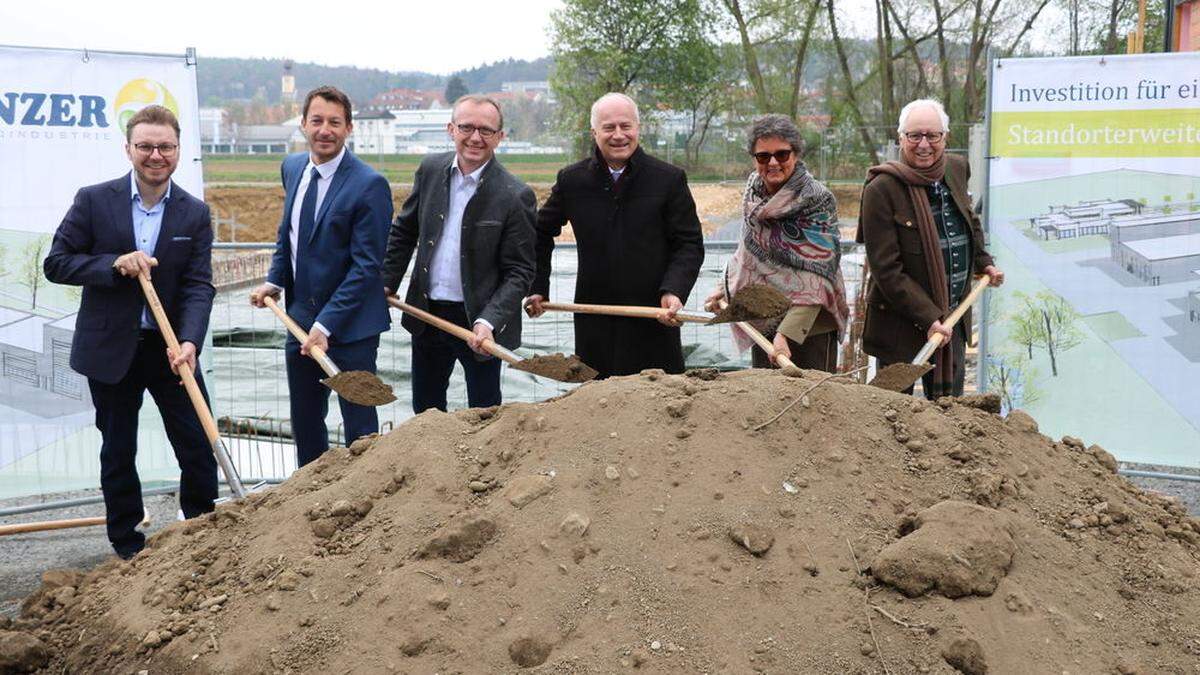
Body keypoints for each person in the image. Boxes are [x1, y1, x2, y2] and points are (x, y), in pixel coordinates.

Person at [43, 105, 216, 560]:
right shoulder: (93, 200)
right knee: (118, 450)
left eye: (165, 147)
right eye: (145, 146)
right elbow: (57, 263)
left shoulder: (194, 214)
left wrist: (190, 341)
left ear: (178, 151)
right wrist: (112, 263)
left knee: (197, 443)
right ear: (129, 149)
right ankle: (128, 545)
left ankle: (200, 532)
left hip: (171, 349)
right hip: (111, 350)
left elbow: (199, 285)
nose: (155, 155)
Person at [249, 86, 392, 465]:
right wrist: (275, 280)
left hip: (351, 330)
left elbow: (366, 267)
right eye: (317, 121)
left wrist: (326, 325)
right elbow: (289, 235)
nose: (324, 130)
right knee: (307, 420)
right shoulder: (292, 168)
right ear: (303, 125)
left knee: (360, 426)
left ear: (349, 128)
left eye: (334, 122)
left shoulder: (369, 185)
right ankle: (308, 501)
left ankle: (369, 499)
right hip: (299, 323)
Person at [525, 92, 704, 378]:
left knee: (657, 403)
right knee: (599, 403)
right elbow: (539, 233)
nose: (619, 135)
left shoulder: (668, 179)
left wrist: (674, 290)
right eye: (609, 128)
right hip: (595, 318)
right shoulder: (572, 181)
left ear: (638, 129)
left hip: (653, 317)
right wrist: (537, 285)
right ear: (594, 132)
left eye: (626, 126)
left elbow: (689, 244)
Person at [382, 95, 535, 413]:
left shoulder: (515, 195)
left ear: (500, 138)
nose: (475, 137)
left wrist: (488, 321)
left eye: (487, 130)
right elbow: (405, 231)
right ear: (450, 129)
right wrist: (386, 282)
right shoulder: (429, 170)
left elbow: (519, 272)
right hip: (427, 314)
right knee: (426, 411)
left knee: (483, 414)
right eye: (466, 127)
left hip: (478, 323)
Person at [857, 98, 1004, 399]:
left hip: (953, 318)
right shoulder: (881, 189)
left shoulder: (956, 169)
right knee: (892, 413)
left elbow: (968, 219)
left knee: (950, 414)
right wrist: (928, 317)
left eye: (932, 136)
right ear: (901, 138)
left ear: (945, 137)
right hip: (899, 326)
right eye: (914, 136)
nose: (924, 144)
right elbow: (887, 271)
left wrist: (983, 261)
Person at [704, 114, 849, 372]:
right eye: (763, 156)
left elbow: (820, 276)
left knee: (812, 403)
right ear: (754, 158)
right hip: (763, 320)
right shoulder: (753, 191)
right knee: (767, 402)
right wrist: (724, 289)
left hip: (808, 328)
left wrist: (787, 334)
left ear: (795, 154)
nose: (772, 163)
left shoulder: (817, 199)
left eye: (782, 155)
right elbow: (746, 251)